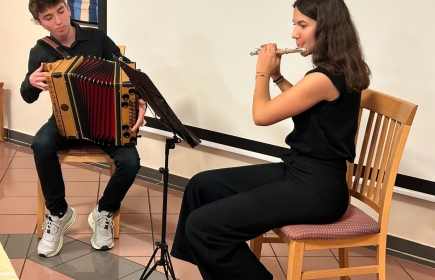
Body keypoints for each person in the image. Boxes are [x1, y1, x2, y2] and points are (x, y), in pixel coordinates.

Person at [170, 0, 371, 279]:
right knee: (201, 187)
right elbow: (302, 103)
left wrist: (262, 73)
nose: (294, 34)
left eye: (302, 25)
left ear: (327, 28)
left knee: (203, 227)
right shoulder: (334, 72)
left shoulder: (324, 77)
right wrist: (277, 77)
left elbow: (262, 115)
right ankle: (214, 268)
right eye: (294, 24)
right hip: (300, 171)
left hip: (318, 189)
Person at [21, 0, 147, 257]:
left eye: (59, 11)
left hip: (106, 120)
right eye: (48, 17)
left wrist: (139, 101)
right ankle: (58, 212)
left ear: (68, 8)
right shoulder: (40, 52)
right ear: (39, 22)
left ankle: (104, 211)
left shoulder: (97, 38)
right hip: (66, 121)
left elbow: (129, 73)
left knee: (131, 161)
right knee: (41, 143)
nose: (57, 21)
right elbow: (28, 96)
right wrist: (30, 82)